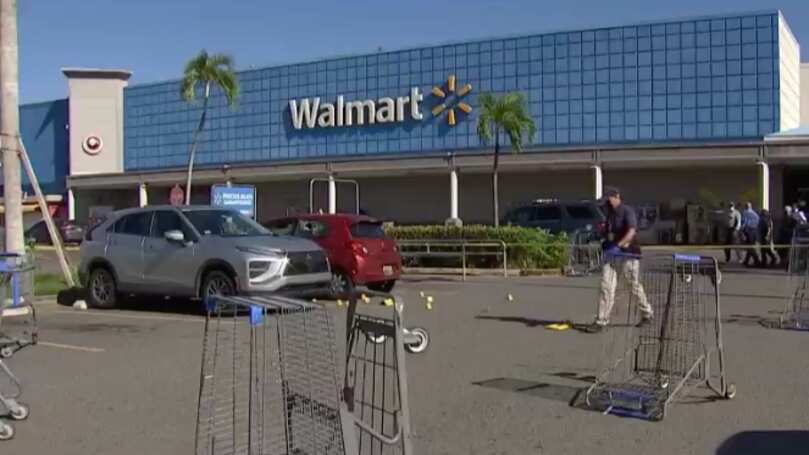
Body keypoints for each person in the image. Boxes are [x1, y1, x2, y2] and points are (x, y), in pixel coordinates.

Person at [585, 188, 653, 333]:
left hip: (629, 254)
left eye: (608, 200)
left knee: (633, 286)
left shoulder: (627, 211)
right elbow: (610, 233)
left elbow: (631, 232)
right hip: (612, 255)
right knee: (606, 286)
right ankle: (601, 320)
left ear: (616, 197)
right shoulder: (610, 214)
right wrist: (603, 233)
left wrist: (618, 246)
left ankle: (647, 313)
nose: (606, 203)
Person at [741, 202, 761, 267]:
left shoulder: (745, 212)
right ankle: (746, 261)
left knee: (750, 247)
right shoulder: (754, 214)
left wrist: (742, 231)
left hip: (749, 231)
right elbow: (758, 222)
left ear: (746, 206)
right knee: (750, 246)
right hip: (755, 231)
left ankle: (756, 260)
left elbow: (744, 222)